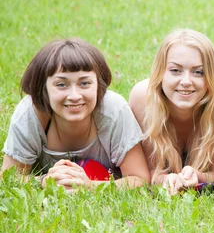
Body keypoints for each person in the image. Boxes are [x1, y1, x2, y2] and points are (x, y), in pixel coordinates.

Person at [2, 38, 149, 189]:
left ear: (99, 85)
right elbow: (8, 179)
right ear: (43, 88)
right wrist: (44, 182)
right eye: (61, 84)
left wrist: (91, 186)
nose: (74, 96)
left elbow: (140, 179)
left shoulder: (114, 110)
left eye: (84, 83)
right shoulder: (30, 114)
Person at [129, 29, 214, 194]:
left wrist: (197, 176)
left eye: (198, 72)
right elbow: (147, 173)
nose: (186, 81)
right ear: (161, 72)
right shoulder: (143, 98)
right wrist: (166, 179)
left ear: (211, 76)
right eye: (175, 70)